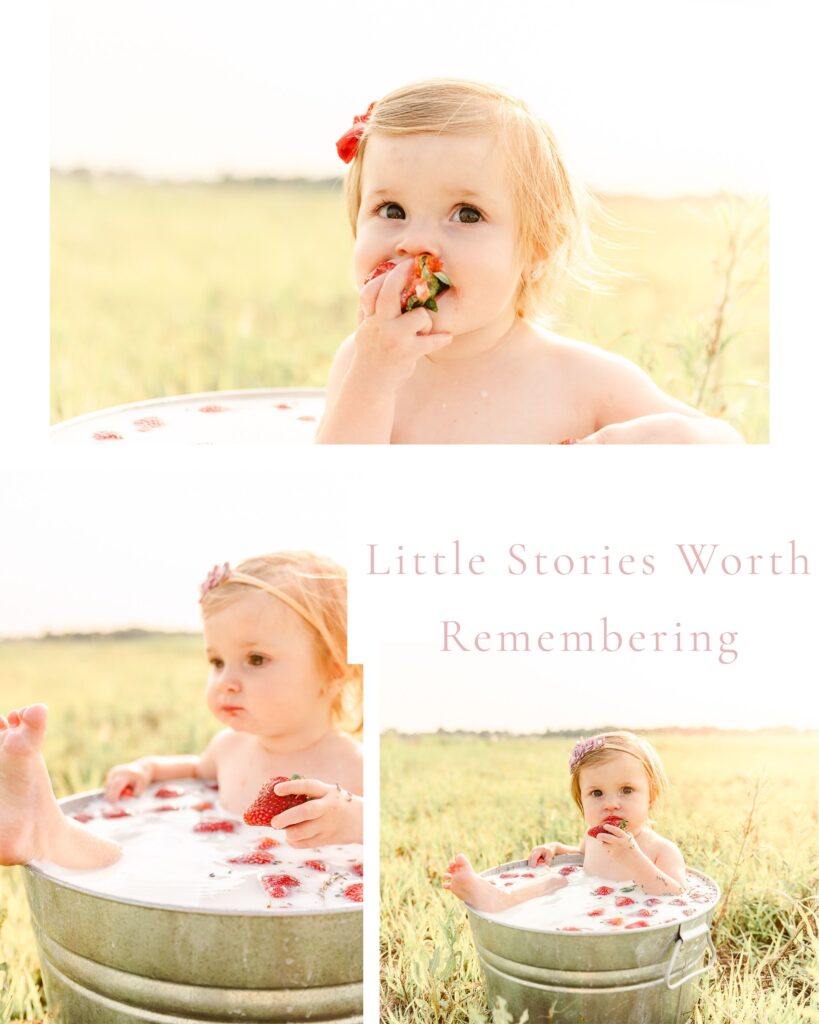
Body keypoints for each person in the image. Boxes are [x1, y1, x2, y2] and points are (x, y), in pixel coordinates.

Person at [316, 78, 744, 445]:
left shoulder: (581, 380)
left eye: (466, 214)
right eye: (392, 210)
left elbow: (728, 446)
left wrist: (660, 439)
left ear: (538, 247)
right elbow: (334, 491)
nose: (416, 242)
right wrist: (372, 379)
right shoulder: (362, 363)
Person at [0, 552, 363, 869]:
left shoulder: (352, 765)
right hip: (218, 868)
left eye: (255, 659)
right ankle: (46, 830)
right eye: (217, 662)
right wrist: (148, 768)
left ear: (335, 670)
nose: (226, 682)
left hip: (295, 899)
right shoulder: (229, 747)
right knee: (132, 859)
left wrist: (353, 817)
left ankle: (47, 830)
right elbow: (192, 768)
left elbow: (379, 826)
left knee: (136, 869)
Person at [443, 731, 686, 912]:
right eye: (597, 793)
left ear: (651, 797)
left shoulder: (661, 850)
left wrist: (633, 856)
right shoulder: (594, 838)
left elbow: (676, 895)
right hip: (585, 907)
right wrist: (558, 849)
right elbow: (581, 857)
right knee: (556, 880)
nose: (611, 803)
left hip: (631, 917)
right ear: (581, 800)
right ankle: (500, 899)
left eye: (626, 789)